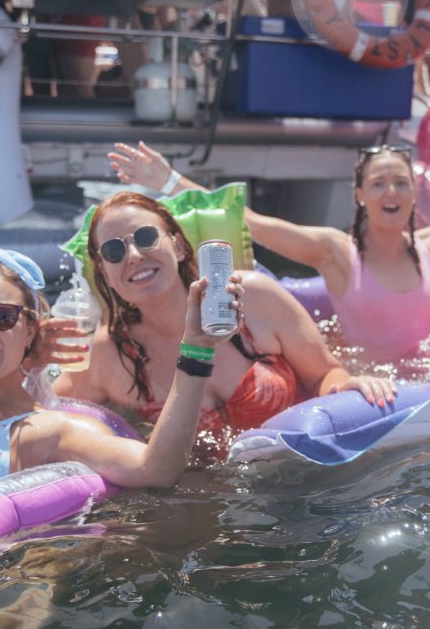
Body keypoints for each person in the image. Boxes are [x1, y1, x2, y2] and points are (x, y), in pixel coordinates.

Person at [107, 135, 430, 364]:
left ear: (414, 194)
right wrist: (169, 180)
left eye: (400, 183)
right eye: (378, 184)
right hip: (369, 384)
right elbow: (252, 221)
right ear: (359, 196)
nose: (390, 193)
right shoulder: (336, 253)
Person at [50, 192, 396, 458]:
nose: (134, 256)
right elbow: (45, 410)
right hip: (205, 507)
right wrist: (35, 356)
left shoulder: (253, 297)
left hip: (302, 471)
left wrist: (346, 385)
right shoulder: (108, 355)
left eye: (145, 238)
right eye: (113, 251)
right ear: (105, 276)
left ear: (179, 246)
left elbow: (323, 373)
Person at [0, 247, 241, 488]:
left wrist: (197, 347)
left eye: (1, 317)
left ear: (30, 331)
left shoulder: (48, 430)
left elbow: (154, 470)